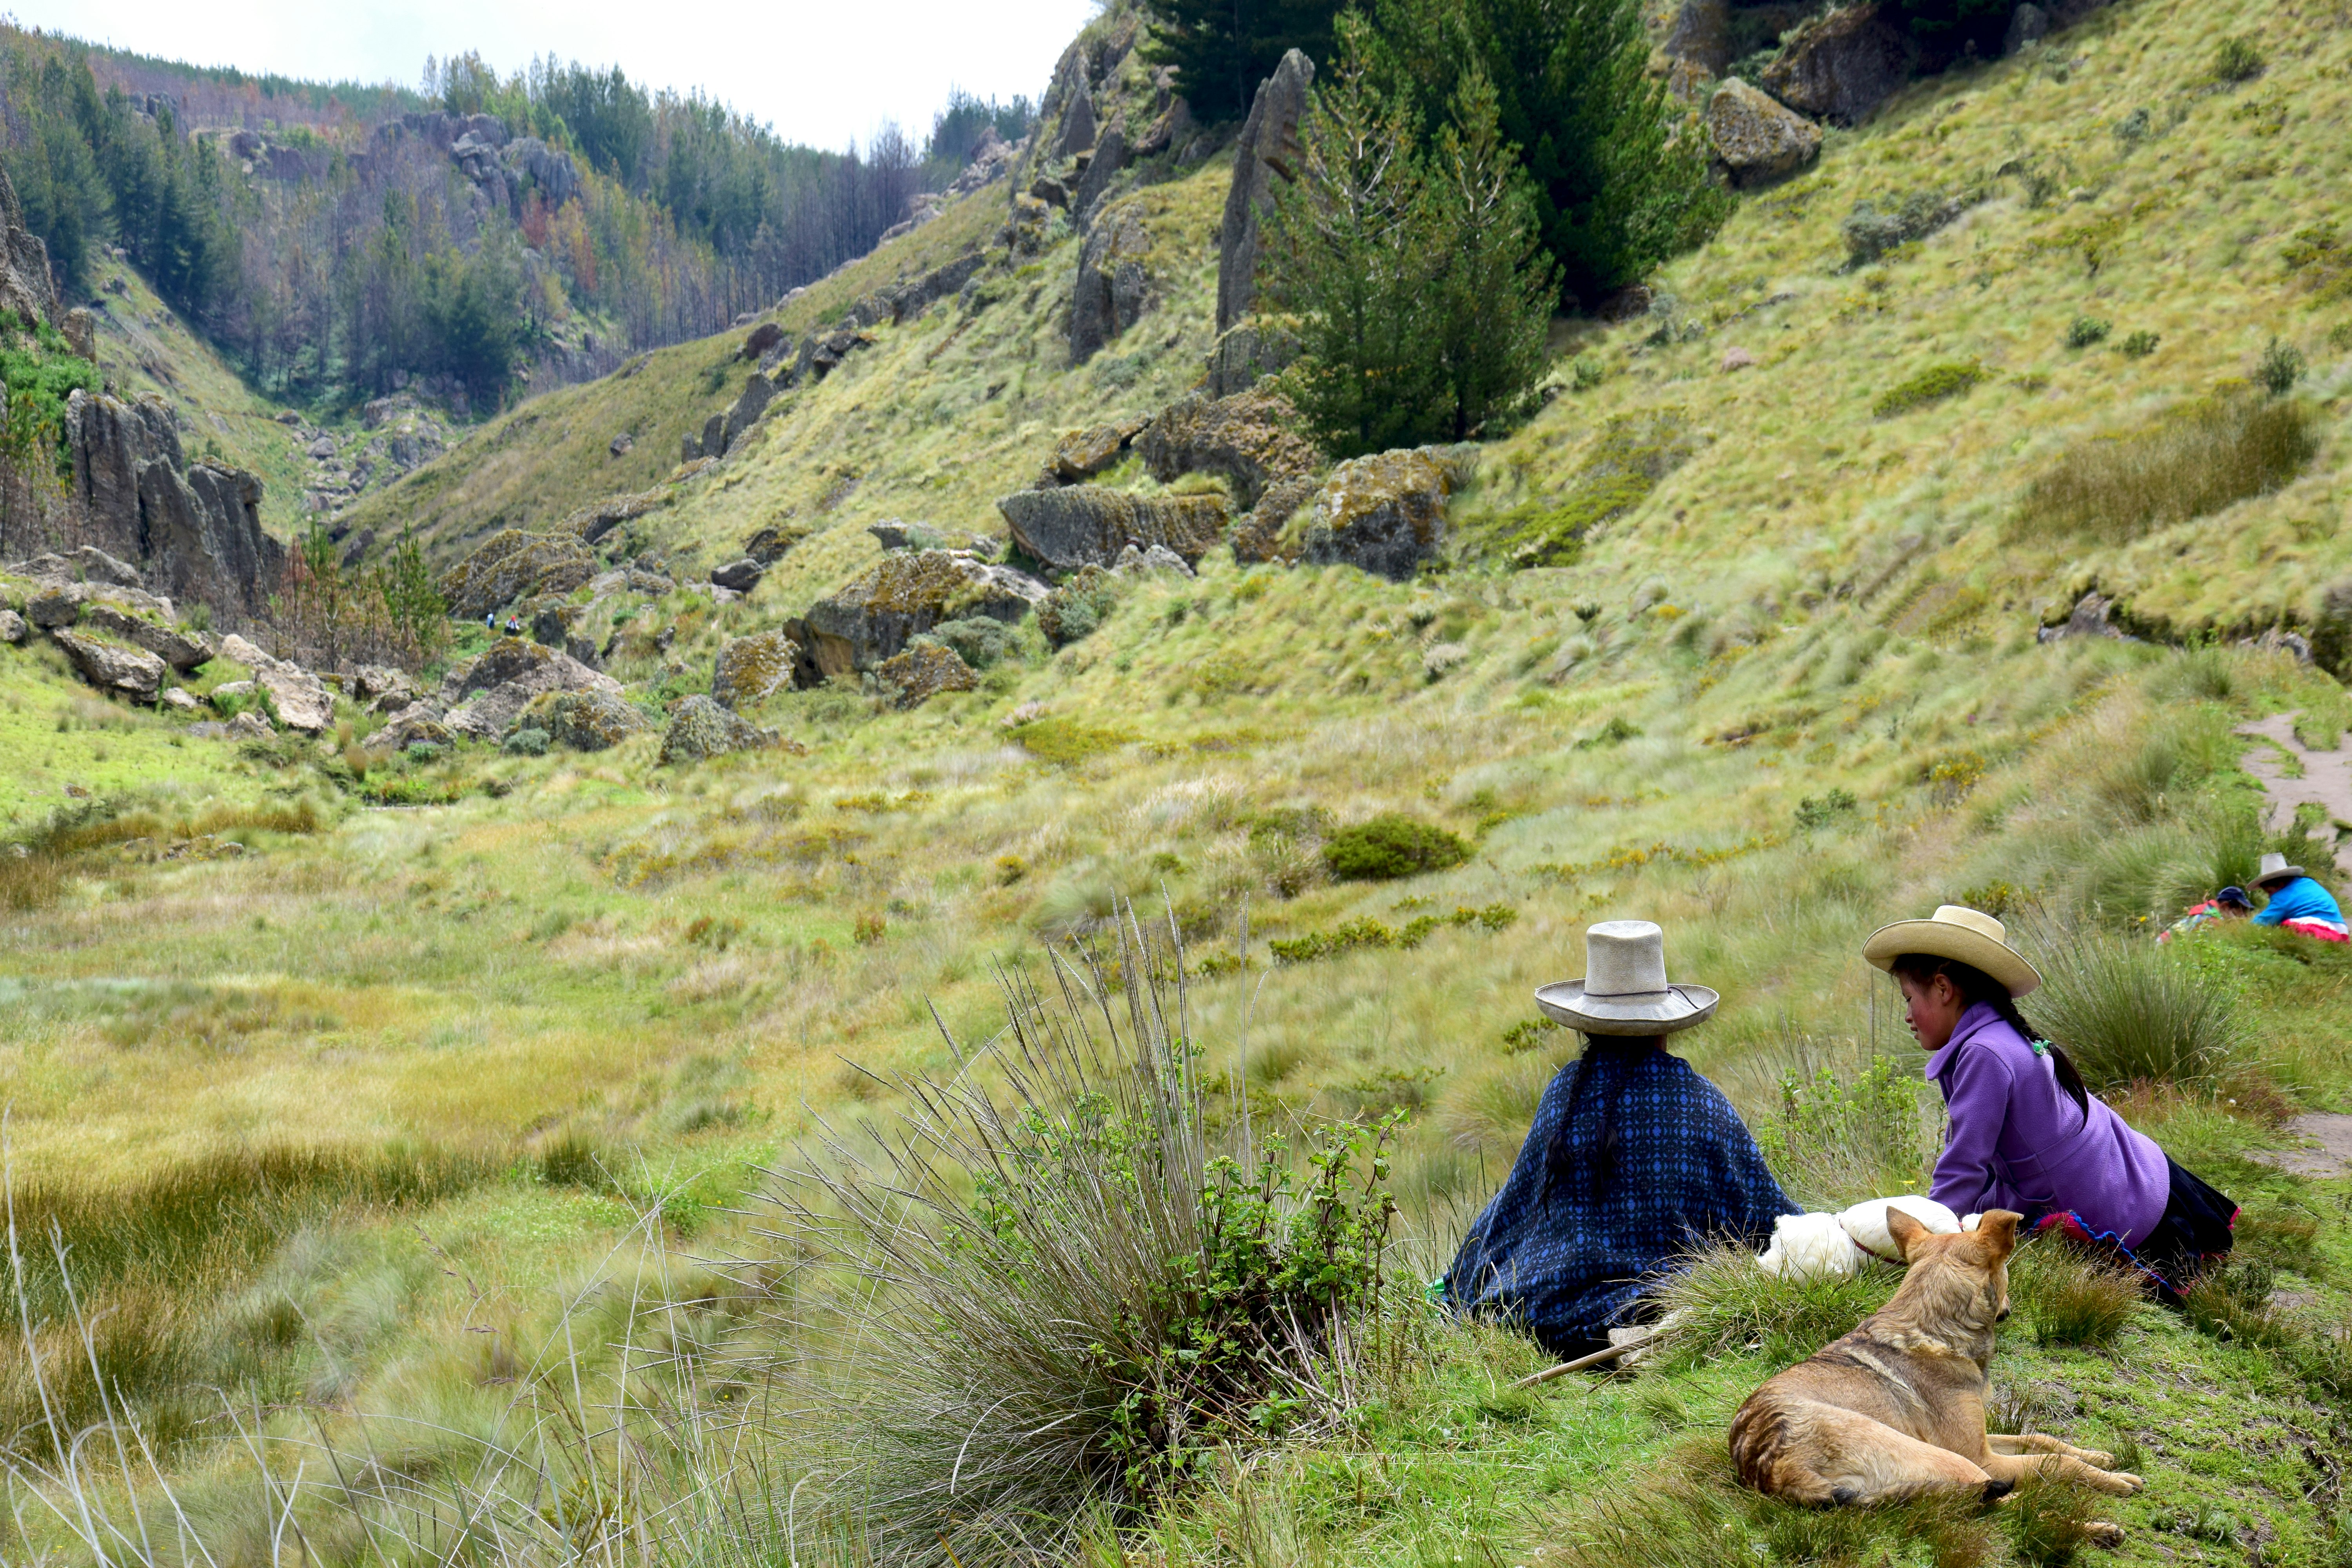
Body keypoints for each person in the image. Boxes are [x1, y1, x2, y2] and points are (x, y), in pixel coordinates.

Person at [1445, 920, 1797, 1358]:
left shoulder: (1565, 1094)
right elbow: (1768, 1218)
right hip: (1655, 1312)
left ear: (1588, 1024)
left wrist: (1464, 1274)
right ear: (1665, 1023)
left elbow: (1514, 1209)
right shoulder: (1700, 1104)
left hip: (1544, 1314)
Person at [1862, 904, 2236, 1301]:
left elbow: (1965, 1164)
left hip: (2118, 1205)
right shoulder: (2001, 1032)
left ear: (1943, 987)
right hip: (2140, 1171)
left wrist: (1926, 1238)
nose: (1907, 1016)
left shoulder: (1982, 1054)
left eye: (1908, 999)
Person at [2250, 853, 2347, 943]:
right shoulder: (2308, 882)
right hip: (2341, 929)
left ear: (2280, 885)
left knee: (2284, 927)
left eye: (2270, 892)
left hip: (2317, 926)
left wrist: (2246, 926)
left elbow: (2264, 921)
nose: (2270, 896)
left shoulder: (2282, 896)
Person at [2160, 885, 2250, 942]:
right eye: (2242, 910)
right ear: (2225, 906)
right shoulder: (2209, 920)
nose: (2244, 915)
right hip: (2163, 948)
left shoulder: (2212, 914)